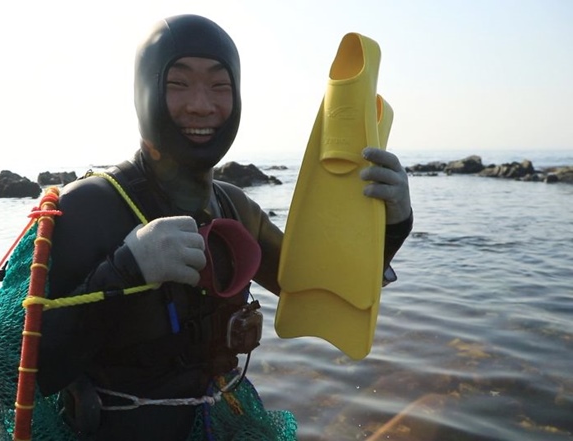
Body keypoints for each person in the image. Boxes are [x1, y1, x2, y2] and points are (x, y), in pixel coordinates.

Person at [36, 14, 413, 440]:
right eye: (178, 84)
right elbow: (36, 371)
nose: (202, 104)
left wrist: (392, 223)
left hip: (223, 421)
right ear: (144, 92)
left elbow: (315, 290)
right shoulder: (88, 206)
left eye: (220, 86)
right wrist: (124, 270)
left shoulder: (234, 205)